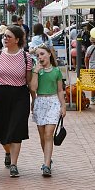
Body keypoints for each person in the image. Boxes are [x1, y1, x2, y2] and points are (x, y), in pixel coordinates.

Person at [0, 25, 32, 178]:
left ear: (17, 39)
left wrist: (34, 98)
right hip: (0, 94)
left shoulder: (25, 57)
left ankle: (14, 164)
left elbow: (29, 81)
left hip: (20, 95)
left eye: (9, 36)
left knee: (16, 130)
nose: (5, 39)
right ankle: (7, 152)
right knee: (2, 130)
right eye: (4, 36)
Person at [30, 44, 66, 177]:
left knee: (49, 133)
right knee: (42, 135)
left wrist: (63, 106)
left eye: (42, 54)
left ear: (49, 54)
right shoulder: (36, 70)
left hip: (53, 102)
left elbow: (60, 90)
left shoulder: (56, 71)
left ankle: (46, 165)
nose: (40, 57)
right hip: (40, 102)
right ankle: (47, 158)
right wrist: (35, 72)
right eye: (38, 55)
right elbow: (33, 88)